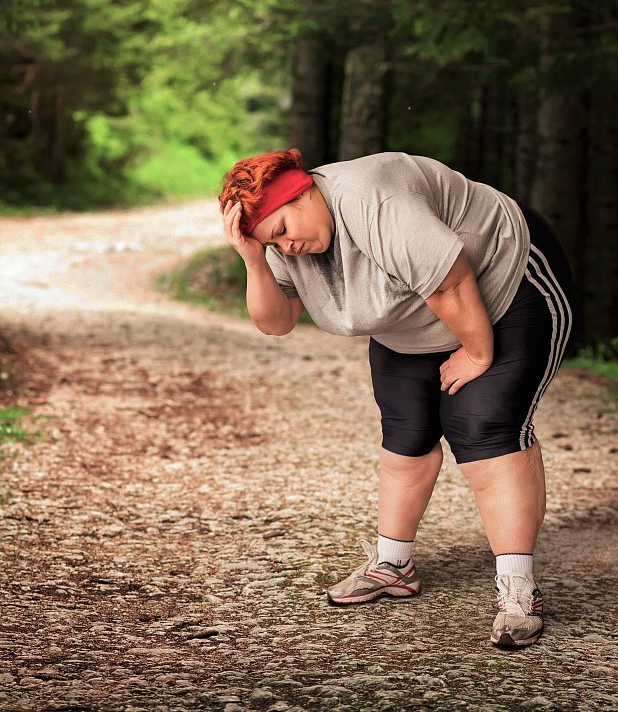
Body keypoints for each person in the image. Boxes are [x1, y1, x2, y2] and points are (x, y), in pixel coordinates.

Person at [218, 149, 574, 648]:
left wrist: (475, 352)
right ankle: (393, 565)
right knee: (406, 436)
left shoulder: (373, 197)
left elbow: (450, 281)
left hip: (504, 283)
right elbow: (274, 322)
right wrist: (255, 257)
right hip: (412, 316)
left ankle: (518, 591)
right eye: (273, 241)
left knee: (484, 428)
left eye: (282, 230)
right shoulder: (280, 244)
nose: (288, 246)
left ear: (302, 191)